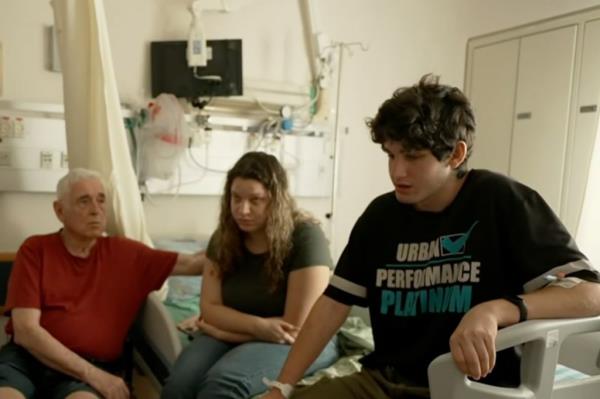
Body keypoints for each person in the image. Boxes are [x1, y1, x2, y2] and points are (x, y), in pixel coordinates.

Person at [262, 74, 600, 399]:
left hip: (471, 388)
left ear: (456, 154)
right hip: (385, 381)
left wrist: (496, 310)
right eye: (391, 155)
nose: (397, 171)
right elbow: (333, 304)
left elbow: (591, 294)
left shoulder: (502, 201)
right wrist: (282, 387)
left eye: (413, 157)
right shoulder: (380, 216)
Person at [0, 168, 204, 399]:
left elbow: (194, 263)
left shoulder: (127, 255)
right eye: (84, 201)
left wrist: (240, 238)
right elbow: (26, 331)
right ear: (59, 211)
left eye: (101, 200)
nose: (96, 210)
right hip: (28, 359)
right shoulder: (36, 250)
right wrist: (95, 376)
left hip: (88, 370)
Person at [161, 151, 339, 399]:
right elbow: (209, 307)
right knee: (178, 387)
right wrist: (259, 326)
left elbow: (295, 328)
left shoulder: (306, 238)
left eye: (256, 200)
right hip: (255, 332)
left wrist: (222, 331)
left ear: (276, 200)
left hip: (302, 342)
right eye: (236, 198)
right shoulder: (224, 238)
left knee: (222, 386)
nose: (243, 210)